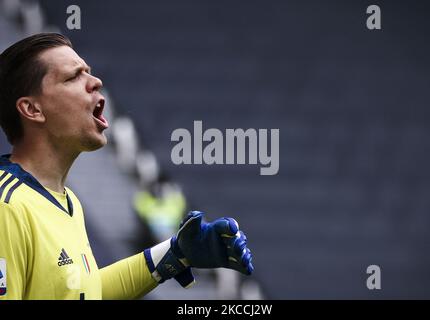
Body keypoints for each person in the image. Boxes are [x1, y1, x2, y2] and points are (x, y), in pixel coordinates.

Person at [0, 33, 253, 300]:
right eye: (74, 77)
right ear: (32, 109)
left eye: (89, 72)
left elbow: (84, 293)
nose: (95, 82)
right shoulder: (7, 207)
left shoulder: (66, 201)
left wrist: (174, 255)